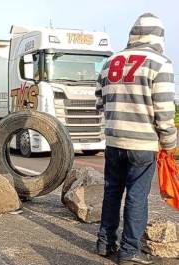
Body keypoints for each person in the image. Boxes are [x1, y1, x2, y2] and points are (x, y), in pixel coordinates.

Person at [95, 13, 176, 265]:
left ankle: (104, 242)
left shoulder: (110, 62)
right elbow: (164, 111)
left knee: (112, 191)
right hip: (142, 145)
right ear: (158, 36)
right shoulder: (160, 62)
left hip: (114, 140)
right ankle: (129, 251)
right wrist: (170, 143)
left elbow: (99, 102)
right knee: (136, 197)